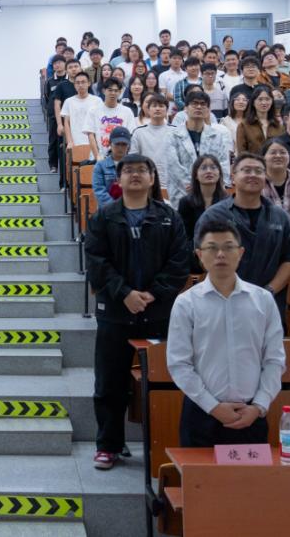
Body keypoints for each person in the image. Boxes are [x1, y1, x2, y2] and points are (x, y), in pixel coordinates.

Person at [84, 154, 190, 469]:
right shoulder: (104, 217)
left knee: (163, 381)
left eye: (142, 170)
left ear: (152, 178)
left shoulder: (168, 217)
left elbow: (179, 262)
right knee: (110, 381)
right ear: (118, 180)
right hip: (115, 313)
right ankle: (108, 445)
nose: (135, 175)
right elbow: (96, 261)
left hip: (158, 313)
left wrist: (153, 294)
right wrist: (125, 293)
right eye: (128, 170)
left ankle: (163, 446)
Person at [167, 219, 285, 447]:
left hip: (251, 414)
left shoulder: (263, 300)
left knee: (250, 473)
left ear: (240, 253)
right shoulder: (186, 303)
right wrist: (213, 407)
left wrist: (259, 406)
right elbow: (179, 364)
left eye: (228, 247)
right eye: (212, 248)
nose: (220, 254)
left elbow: (274, 360)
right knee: (200, 472)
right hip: (202, 413)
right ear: (199, 255)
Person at [196, 152, 290, 320]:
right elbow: (203, 256)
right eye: (246, 170)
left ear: (266, 177)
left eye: (258, 171)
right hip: (223, 300)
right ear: (233, 176)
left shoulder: (281, 217)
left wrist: (267, 292)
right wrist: (234, 290)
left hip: (270, 302)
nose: (253, 175)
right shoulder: (213, 216)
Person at [166, 89, 233, 206]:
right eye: (194, 103)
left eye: (203, 104)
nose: (199, 107)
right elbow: (173, 166)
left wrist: (212, 185)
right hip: (182, 193)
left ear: (208, 110)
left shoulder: (216, 135)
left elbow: (223, 164)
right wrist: (194, 185)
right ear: (186, 108)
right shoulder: (173, 135)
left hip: (211, 193)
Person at [177, 154, 229, 274]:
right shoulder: (186, 202)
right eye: (203, 168)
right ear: (196, 175)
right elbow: (184, 235)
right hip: (195, 252)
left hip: (222, 251)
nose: (209, 171)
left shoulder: (228, 202)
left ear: (219, 173)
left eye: (213, 167)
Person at [130, 94, 176, 193]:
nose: (157, 109)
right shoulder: (138, 133)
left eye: (161, 106)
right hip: (146, 183)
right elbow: (133, 159)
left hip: (172, 183)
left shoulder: (176, 132)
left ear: (167, 110)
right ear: (148, 109)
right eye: (154, 106)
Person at [83, 77, 135, 161]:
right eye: (110, 90)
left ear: (120, 92)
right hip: (98, 157)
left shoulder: (127, 111)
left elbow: (130, 135)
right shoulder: (93, 110)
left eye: (116, 91)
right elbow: (91, 135)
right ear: (104, 91)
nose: (113, 93)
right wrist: (97, 156)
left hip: (121, 158)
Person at [236, 85, 284, 154]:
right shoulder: (244, 125)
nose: (264, 103)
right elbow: (241, 153)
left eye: (267, 99)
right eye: (260, 99)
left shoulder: (278, 124)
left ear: (272, 102)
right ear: (253, 102)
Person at [91, 126, 131, 207]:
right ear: (110, 144)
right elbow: (99, 191)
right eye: (117, 144)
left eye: (124, 144)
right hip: (108, 210)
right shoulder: (100, 166)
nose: (120, 147)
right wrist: (116, 208)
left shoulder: (134, 165)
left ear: (128, 146)